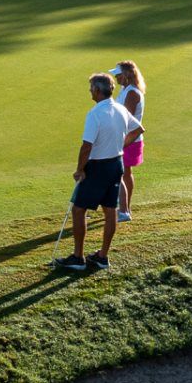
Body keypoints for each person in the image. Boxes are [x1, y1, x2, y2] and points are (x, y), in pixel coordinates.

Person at [55, 73, 142, 271]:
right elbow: (138, 129)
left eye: (91, 88)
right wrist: (121, 144)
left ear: (97, 90)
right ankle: (102, 256)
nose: (90, 91)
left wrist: (79, 170)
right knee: (110, 210)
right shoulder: (120, 108)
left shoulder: (95, 114)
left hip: (98, 167)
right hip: (116, 164)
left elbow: (86, 146)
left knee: (79, 210)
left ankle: (78, 258)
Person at [111, 61, 148, 222]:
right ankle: (122, 206)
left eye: (118, 74)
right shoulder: (125, 90)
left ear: (126, 75)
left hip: (129, 139)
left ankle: (125, 209)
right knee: (124, 172)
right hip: (125, 138)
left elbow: (127, 119)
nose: (116, 77)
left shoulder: (132, 93)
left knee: (123, 173)